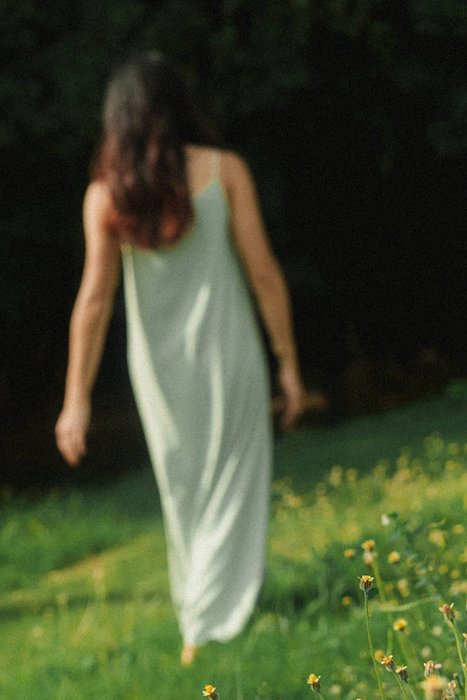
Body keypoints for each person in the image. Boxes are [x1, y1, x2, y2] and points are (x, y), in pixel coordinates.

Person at [56, 53, 305, 666]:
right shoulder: (224, 170)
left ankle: (201, 617)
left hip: (158, 370)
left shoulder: (105, 196)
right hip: (230, 352)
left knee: (183, 487)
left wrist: (76, 400)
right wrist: (288, 363)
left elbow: (93, 302)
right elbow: (264, 273)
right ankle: (208, 618)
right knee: (233, 480)